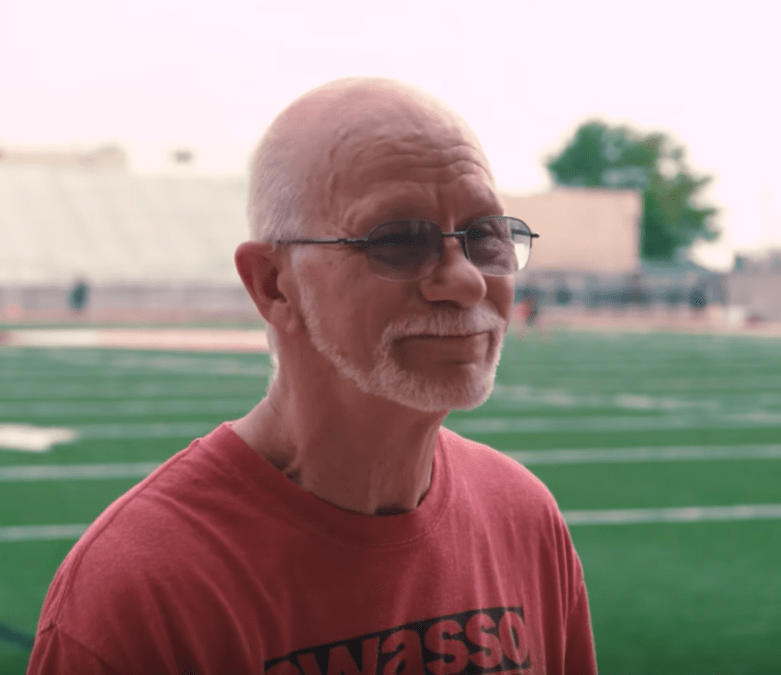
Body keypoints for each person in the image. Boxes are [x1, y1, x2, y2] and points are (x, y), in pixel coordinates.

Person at [28, 78, 597, 675]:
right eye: (400, 240)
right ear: (273, 284)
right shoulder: (145, 589)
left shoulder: (524, 517)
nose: (467, 282)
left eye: (485, 236)